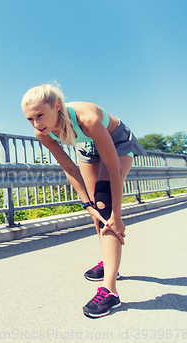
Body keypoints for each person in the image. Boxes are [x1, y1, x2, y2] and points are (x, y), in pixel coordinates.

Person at [21, 83, 146, 318]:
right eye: (30, 119)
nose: (36, 124)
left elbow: (114, 169)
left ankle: (110, 291)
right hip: (87, 147)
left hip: (116, 142)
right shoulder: (43, 133)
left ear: (57, 106)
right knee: (97, 213)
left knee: (105, 205)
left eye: (40, 115)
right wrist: (86, 204)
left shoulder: (86, 119)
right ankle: (111, 264)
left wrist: (117, 216)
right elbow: (68, 167)